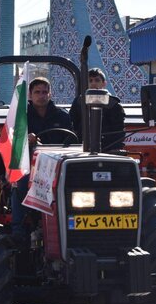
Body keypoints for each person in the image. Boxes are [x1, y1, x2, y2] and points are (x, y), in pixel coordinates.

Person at [11, 77, 74, 241]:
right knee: (21, 183)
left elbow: (73, 142)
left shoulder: (62, 116)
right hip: (30, 164)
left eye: (45, 92)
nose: (41, 95)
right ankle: (18, 229)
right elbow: (14, 140)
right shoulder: (22, 117)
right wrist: (26, 138)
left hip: (58, 164)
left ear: (50, 94)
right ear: (30, 95)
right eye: (37, 92)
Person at [70, 67, 126, 151]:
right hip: (81, 149)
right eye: (90, 80)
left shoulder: (113, 105)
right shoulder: (79, 103)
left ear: (104, 83)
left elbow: (118, 133)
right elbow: (72, 126)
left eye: (97, 80)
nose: (93, 83)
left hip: (107, 149)